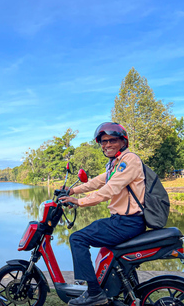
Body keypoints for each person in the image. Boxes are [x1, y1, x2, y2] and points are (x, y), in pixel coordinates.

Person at [61, 122, 146, 306]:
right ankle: (115, 287)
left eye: (112, 140)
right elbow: (97, 182)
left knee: (77, 239)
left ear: (123, 141)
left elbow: (109, 189)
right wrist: (72, 191)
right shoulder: (115, 163)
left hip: (127, 222)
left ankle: (94, 293)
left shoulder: (129, 160)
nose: (107, 145)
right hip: (122, 220)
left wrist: (79, 202)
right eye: (103, 142)